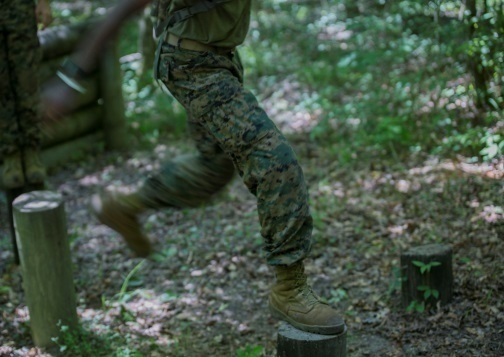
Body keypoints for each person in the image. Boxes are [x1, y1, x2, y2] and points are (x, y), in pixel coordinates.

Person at [43, 0, 346, 335]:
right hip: (193, 66)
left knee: (214, 168)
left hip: (219, 58)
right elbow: (124, 7)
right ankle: (289, 288)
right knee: (274, 160)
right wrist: (72, 77)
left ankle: (126, 206)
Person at [0, 0, 52, 188]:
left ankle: (32, 151)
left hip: (19, 7)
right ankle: (10, 155)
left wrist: (44, 3)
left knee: (27, 79)